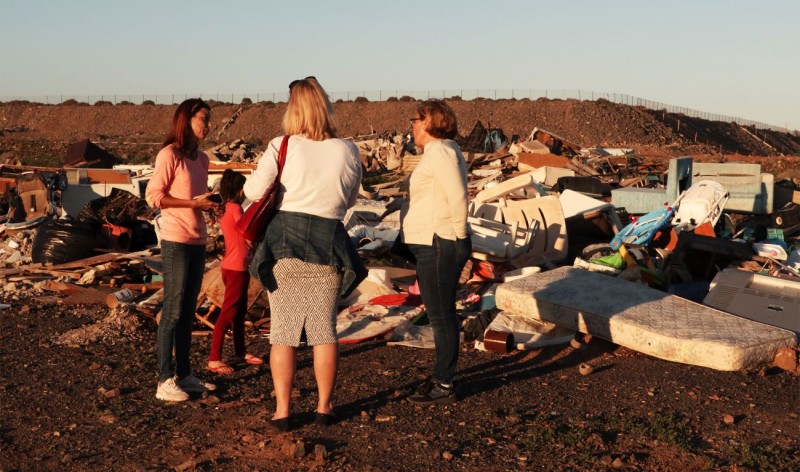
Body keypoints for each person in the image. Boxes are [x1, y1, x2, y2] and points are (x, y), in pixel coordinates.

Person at [245, 77, 366, 431]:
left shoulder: (282, 145)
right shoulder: (349, 149)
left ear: (292, 109)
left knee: (282, 332)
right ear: (325, 106)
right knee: (323, 330)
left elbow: (254, 191)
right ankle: (324, 407)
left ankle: (282, 411)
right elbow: (351, 200)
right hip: (328, 243)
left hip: (283, 245)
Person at [146, 98, 220, 402]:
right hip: (176, 240)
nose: (209, 124)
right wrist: (193, 204)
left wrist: (209, 206)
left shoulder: (202, 159)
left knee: (188, 312)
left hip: (198, 240)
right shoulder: (169, 155)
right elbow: (154, 196)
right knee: (173, 311)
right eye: (204, 118)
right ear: (186, 120)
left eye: (209, 118)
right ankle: (164, 379)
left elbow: (194, 197)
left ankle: (185, 374)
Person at [401, 99, 471, 405]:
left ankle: (444, 384)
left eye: (415, 119)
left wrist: (457, 235)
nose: (412, 125)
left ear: (430, 122)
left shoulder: (441, 151)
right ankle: (442, 377)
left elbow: (457, 195)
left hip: (440, 242)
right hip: (434, 242)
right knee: (440, 313)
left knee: (442, 316)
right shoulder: (437, 153)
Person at [207, 170, 264, 375]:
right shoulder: (236, 209)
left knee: (239, 312)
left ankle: (240, 352)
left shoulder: (224, 209)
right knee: (228, 313)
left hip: (230, 265)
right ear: (240, 189)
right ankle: (214, 358)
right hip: (237, 267)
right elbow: (247, 235)